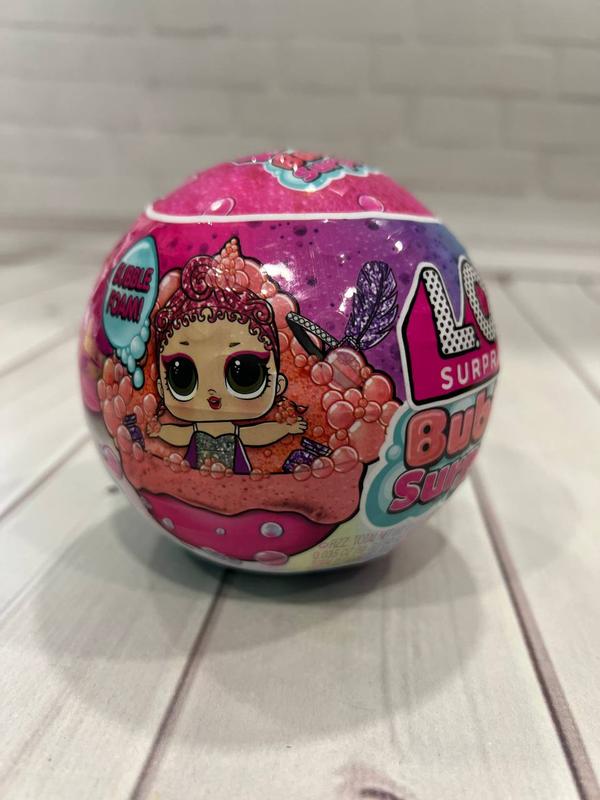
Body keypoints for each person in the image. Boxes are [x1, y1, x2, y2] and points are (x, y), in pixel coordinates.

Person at [148, 253, 306, 473]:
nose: (212, 394)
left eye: (245, 376)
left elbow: (257, 435)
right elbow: (179, 435)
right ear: (161, 388)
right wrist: (160, 432)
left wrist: (285, 430)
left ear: (278, 385)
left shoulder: (232, 431)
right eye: (182, 376)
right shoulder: (197, 429)